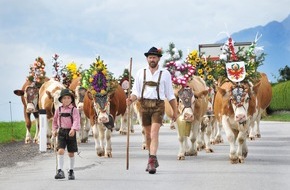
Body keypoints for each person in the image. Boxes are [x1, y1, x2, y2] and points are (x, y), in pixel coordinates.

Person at [126, 46, 178, 174]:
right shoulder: (140, 73)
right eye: (150, 57)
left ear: (158, 59)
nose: (152, 59)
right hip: (143, 105)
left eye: (154, 57)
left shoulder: (165, 74)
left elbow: (170, 95)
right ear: (147, 59)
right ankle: (152, 157)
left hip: (158, 106)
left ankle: (151, 162)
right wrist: (130, 100)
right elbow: (136, 92)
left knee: (154, 133)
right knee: (148, 135)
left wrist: (175, 111)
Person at [52, 89, 80, 180]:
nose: (66, 100)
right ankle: (60, 170)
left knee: (71, 153)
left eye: (68, 98)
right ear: (61, 100)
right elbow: (55, 121)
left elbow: (76, 120)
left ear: (71, 99)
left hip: (71, 132)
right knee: (60, 150)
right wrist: (54, 130)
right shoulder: (58, 110)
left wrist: (73, 129)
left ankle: (71, 171)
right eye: (64, 98)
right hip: (61, 132)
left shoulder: (74, 110)